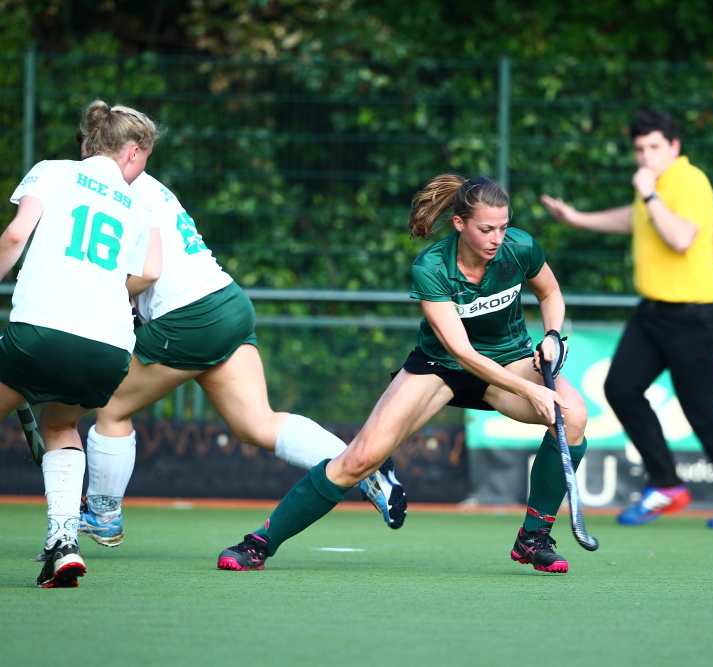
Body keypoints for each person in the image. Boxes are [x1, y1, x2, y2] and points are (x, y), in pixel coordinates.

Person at [216, 174, 589, 573]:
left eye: (503, 227)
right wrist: (529, 390)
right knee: (360, 458)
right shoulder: (432, 267)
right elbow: (461, 353)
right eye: (486, 229)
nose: (497, 238)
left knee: (573, 415)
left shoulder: (520, 247)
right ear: (460, 223)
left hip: (508, 358)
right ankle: (260, 543)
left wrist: (553, 336)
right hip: (441, 367)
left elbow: (550, 293)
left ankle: (533, 538)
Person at [72, 133, 408, 549]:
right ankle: (365, 466)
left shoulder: (114, 192)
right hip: (227, 301)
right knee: (257, 423)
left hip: (189, 317)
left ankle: (103, 516)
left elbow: (143, 273)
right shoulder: (148, 183)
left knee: (111, 406)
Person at [539, 110, 713, 530]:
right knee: (621, 388)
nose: (645, 155)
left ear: (674, 147)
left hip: (698, 313)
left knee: (702, 412)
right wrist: (578, 218)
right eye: (639, 148)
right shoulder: (651, 187)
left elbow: (681, 238)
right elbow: (635, 220)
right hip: (655, 311)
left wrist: (649, 194)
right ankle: (666, 485)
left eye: (653, 147)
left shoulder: (689, 181)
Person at [1, 100, 157, 587]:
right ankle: (63, 543)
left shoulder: (52, 171)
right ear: (133, 151)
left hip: (42, 331)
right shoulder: (140, 205)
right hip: (108, 348)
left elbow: (15, 237)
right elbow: (143, 275)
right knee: (61, 424)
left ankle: (63, 541)